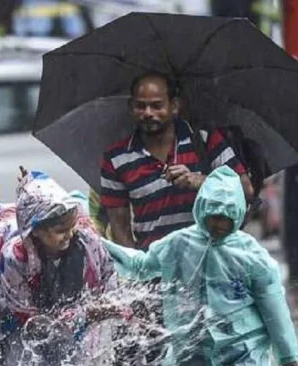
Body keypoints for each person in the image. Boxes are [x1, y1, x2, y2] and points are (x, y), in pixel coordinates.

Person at [104, 166, 298, 366]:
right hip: (193, 350)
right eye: (213, 217)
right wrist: (99, 244)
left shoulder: (252, 256)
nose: (219, 225)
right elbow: (141, 265)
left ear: (238, 215)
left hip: (242, 351)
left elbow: (274, 307)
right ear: (201, 210)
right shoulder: (179, 243)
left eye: (226, 218)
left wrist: (289, 357)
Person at [100, 71, 254, 250]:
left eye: (157, 106)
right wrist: (136, 267)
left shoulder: (205, 141)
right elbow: (120, 227)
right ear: (130, 106)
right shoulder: (115, 158)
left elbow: (245, 190)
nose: (148, 113)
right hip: (155, 269)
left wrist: (200, 181)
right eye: (140, 106)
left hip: (211, 264)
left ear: (174, 106)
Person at [0, 169, 120, 366]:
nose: (69, 235)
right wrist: (82, 315)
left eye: (72, 227)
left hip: (76, 321)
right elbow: (28, 320)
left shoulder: (87, 243)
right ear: (35, 230)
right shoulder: (15, 258)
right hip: (22, 325)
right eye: (61, 231)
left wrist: (105, 308)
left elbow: (107, 278)